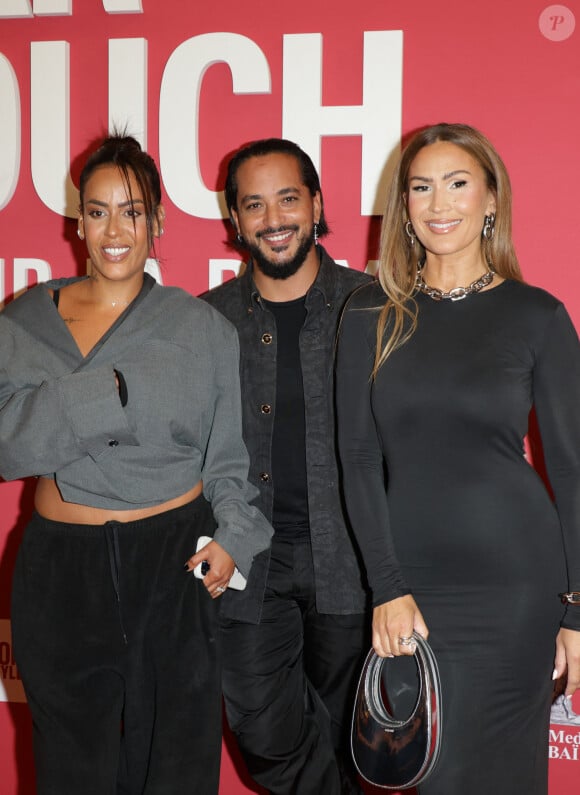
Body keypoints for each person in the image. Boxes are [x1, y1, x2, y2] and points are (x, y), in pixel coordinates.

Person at [0, 134, 273, 795]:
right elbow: (9, 447)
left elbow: (230, 458)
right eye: (97, 211)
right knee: (71, 770)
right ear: (78, 222)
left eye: (131, 210)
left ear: (158, 220)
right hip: (61, 572)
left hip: (171, 565)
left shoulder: (200, 327)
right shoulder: (23, 321)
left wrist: (235, 540)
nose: (114, 230)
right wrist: (117, 391)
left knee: (176, 765)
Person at [335, 122, 580, 794]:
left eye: (458, 183)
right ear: (404, 206)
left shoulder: (537, 315)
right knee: (430, 774)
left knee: (506, 774)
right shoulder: (369, 313)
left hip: (517, 586)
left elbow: (572, 469)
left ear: (491, 199)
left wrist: (578, 610)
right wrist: (385, 585)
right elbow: (356, 457)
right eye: (421, 187)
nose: (439, 203)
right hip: (411, 588)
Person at [203, 138, 371, 794]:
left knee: (356, 746)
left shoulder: (375, 307)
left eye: (288, 198)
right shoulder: (207, 321)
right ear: (236, 219)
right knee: (267, 741)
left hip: (354, 570)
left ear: (317, 204)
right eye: (255, 203)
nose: (274, 217)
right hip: (249, 569)